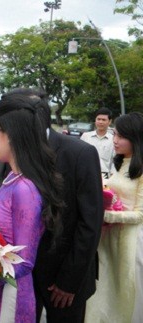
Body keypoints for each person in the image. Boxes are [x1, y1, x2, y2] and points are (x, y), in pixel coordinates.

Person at [3, 89, 104, 323]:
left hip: (63, 275)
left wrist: (69, 281)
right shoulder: (10, 153)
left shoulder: (80, 153)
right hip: (21, 275)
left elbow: (90, 222)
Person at [0, 93, 64, 322]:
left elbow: (23, 261)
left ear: (10, 135)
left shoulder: (25, 188)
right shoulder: (12, 176)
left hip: (8, 293)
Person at [85, 112, 143, 323]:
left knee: (126, 292)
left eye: (121, 136)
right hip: (110, 238)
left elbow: (140, 214)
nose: (115, 141)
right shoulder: (122, 162)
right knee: (106, 290)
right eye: (114, 135)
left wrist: (106, 214)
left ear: (136, 138)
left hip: (131, 240)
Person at [81, 107, 115, 179]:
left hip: (105, 177)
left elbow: (114, 161)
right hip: (86, 175)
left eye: (104, 120)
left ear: (110, 121)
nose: (100, 122)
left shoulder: (113, 139)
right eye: (98, 119)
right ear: (95, 120)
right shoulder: (85, 136)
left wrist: (112, 177)